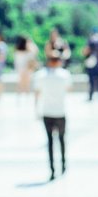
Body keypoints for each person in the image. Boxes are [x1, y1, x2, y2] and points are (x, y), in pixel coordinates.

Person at [34, 48, 73, 180]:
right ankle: (63, 165)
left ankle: (52, 169)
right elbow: (69, 89)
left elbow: (37, 93)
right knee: (61, 140)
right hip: (60, 111)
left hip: (47, 111)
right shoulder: (65, 75)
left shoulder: (40, 75)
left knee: (50, 141)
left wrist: (36, 110)